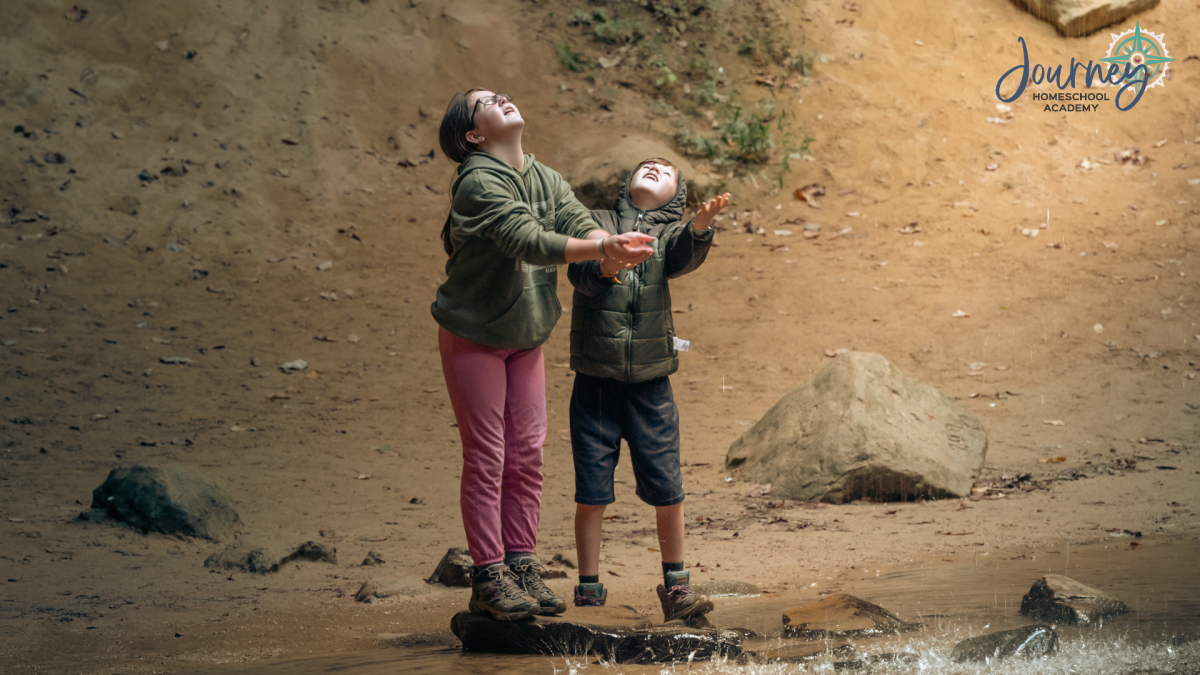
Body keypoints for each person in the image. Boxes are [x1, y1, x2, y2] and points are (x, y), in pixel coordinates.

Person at [434, 88, 656, 621]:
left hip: (526, 335)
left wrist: (611, 244)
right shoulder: (478, 181)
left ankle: (521, 562)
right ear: (474, 135)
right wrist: (603, 249)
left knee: (528, 452)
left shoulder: (542, 175)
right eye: (486, 100)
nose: (502, 97)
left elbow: (574, 220)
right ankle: (488, 574)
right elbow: (530, 240)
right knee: (488, 456)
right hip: (476, 335)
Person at [566, 157, 731, 622]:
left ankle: (677, 587)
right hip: (594, 380)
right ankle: (588, 589)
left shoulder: (671, 234)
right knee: (591, 491)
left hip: (652, 383)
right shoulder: (596, 222)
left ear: (677, 196)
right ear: (627, 182)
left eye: (668, 170)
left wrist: (699, 228)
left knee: (667, 487)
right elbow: (578, 271)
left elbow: (683, 257)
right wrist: (605, 263)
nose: (656, 168)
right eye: (648, 165)